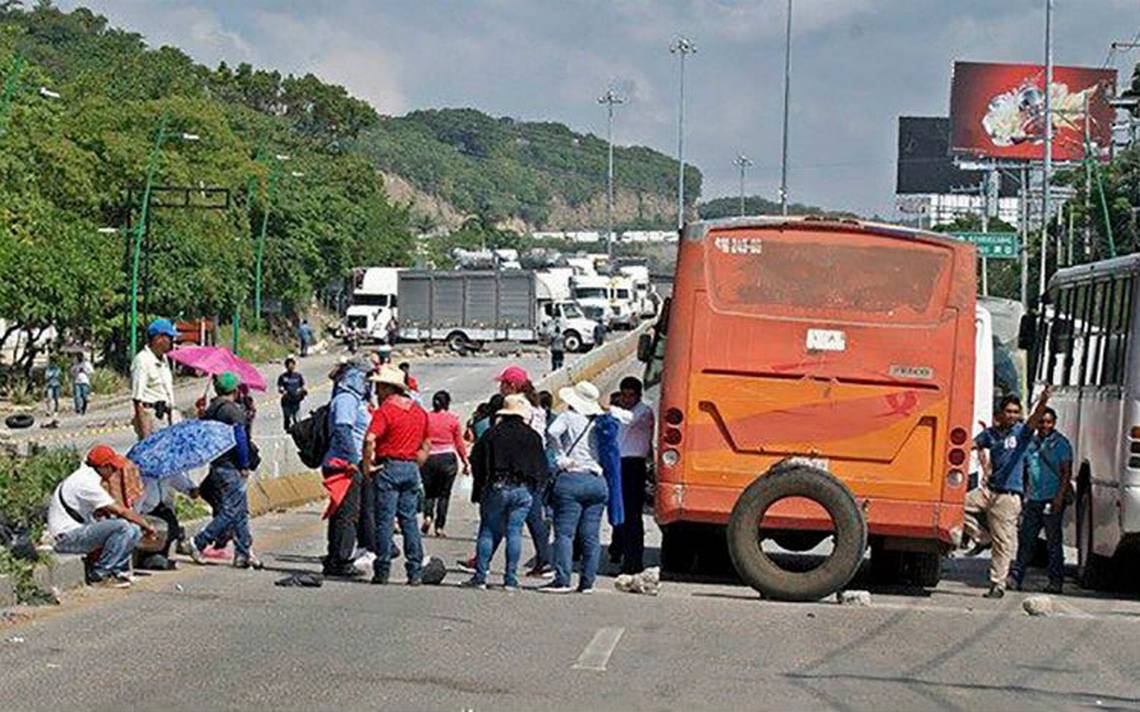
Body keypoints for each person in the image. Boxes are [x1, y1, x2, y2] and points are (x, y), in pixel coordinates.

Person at [542, 380, 626, 594]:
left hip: (572, 479)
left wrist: (560, 454)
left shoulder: (568, 417)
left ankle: (562, 579)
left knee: (565, 534)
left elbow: (552, 432)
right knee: (591, 535)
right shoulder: (601, 422)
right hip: (597, 482)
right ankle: (587, 582)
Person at [966, 389, 1051, 599]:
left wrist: (1043, 400)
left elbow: (1035, 418)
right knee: (954, 505)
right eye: (1008, 411)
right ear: (1001, 413)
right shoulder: (992, 433)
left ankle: (998, 584)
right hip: (989, 491)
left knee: (1003, 543)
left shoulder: (1022, 433)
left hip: (1008, 496)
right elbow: (972, 444)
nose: (1012, 415)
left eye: (1015, 411)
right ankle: (981, 536)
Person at [460, 394, 548, 590]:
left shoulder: (492, 434)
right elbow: (542, 466)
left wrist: (481, 486)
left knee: (488, 531)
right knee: (514, 531)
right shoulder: (532, 436)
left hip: (497, 486)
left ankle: (480, 576)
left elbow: (477, 461)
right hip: (523, 489)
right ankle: (510, 578)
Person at [48, 445, 155, 588]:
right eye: (112, 467)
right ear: (103, 467)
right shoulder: (85, 482)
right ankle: (99, 575)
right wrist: (147, 527)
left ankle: (115, 570)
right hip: (65, 538)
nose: (115, 471)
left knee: (133, 529)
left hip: (76, 531)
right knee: (122, 526)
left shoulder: (88, 477)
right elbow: (122, 511)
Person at [362, 364, 431, 585]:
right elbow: (427, 443)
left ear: (386, 388)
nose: (375, 392)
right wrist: (415, 462)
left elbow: (370, 439)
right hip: (410, 467)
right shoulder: (419, 411)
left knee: (385, 521)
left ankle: (382, 569)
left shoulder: (385, 411)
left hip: (389, 466)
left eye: (378, 387)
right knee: (409, 520)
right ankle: (415, 571)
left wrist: (367, 466)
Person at [187, 371, 262, 570]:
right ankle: (199, 542)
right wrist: (244, 464)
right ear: (236, 390)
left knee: (241, 512)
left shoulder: (212, 409)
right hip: (231, 467)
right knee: (230, 511)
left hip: (217, 465)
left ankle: (243, 553)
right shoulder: (233, 411)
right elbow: (240, 440)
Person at [495, 366, 553, 577]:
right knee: (530, 515)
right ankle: (543, 559)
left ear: (510, 386)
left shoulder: (517, 405)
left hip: (522, 466)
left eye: (502, 384)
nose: (500, 388)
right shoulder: (537, 406)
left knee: (508, 514)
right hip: (538, 463)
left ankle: (484, 561)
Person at [1011, 407, 1073, 594]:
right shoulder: (1031, 442)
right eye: (1041, 422)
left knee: (1053, 542)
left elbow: (1065, 473)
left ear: (1054, 423)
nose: (1045, 425)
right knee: (1026, 540)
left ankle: (1055, 581)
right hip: (1034, 499)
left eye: (1048, 422)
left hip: (1052, 499)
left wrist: (1058, 498)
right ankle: (1016, 577)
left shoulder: (1061, 444)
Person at [321, 363, 372, 577]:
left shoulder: (355, 399)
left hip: (348, 462)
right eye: (365, 378)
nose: (368, 382)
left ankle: (335, 557)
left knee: (342, 512)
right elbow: (343, 429)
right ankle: (341, 561)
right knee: (347, 514)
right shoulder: (346, 399)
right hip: (343, 464)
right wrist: (352, 459)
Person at [609, 376, 654, 575]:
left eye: (630, 395)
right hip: (620, 464)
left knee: (632, 517)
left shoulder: (643, 411)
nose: (627, 399)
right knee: (621, 514)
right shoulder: (623, 413)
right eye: (624, 395)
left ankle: (633, 562)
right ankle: (620, 554)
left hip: (633, 465)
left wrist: (608, 407)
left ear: (638, 395)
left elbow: (629, 419)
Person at [421, 391, 470, 538]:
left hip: (429, 458)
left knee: (429, 492)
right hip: (447, 459)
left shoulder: (426, 418)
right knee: (444, 494)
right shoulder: (453, 420)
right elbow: (459, 443)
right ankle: (439, 527)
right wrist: (465, 461)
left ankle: (428, 516)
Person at [131, 318, 177, 441]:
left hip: (165, 416)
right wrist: (145, 435)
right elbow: (138, 400)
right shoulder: (142, 361)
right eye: (170, 338)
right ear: (158, 339)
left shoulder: (164, 359)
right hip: (151, 416)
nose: (172, 342)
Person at [277, 356, 306, 432]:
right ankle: (287, 427)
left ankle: (298, 431)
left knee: (297, 418)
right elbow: (280, 387)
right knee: (287, 417)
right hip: (286, 401)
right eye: (289, 365)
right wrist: (282, 390)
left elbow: (302, 386)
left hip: (296, 400)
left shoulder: (298, 376)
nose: (291, 367)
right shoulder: (283, 377)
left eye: (292, 365)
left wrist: (301, 391)